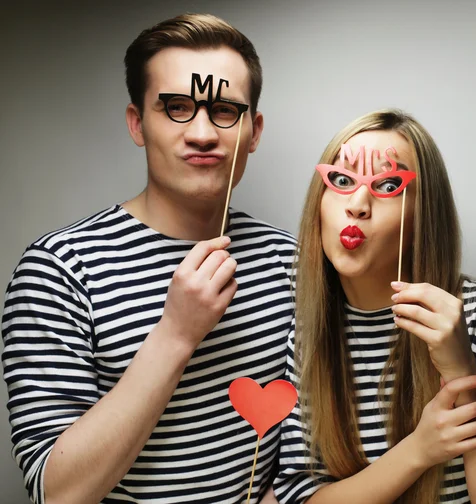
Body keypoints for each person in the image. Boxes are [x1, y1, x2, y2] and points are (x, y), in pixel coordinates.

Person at [1, 13, 295, 504]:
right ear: (138, 124)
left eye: (225, 111)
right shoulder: (59, 269)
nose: (203, 133)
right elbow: (58, 494)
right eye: (177, 107)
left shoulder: (292, 261)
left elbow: (316, 438)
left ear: (254, 130)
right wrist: (176, 334)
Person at [272, 109, 476, 503]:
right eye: (341, 180)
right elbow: (304, 497)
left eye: (388, 184)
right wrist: (419, 450)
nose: (357, 204)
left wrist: (460, 368)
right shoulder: (307, 333)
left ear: (425, 211)